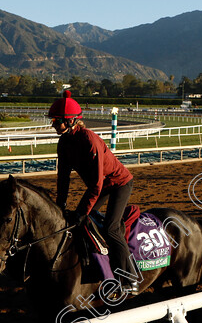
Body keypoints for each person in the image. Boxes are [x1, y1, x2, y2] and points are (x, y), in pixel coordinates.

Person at [49, 90, 138, 297]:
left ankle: (130, 277)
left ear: (70, 121)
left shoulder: (90, 140)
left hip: (119, 184)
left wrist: (82, 211)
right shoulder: (64, 143)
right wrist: (59, 206)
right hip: (100, 186)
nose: (53, 124)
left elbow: (96, 185)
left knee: (111, 228)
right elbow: (63, 179)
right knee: (78, 221)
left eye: (56, 120)